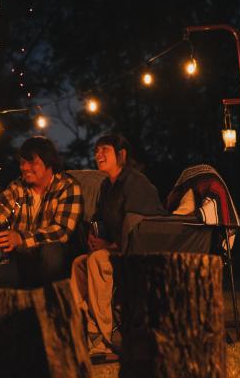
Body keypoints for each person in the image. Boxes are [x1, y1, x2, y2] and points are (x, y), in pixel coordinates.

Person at [0, 136, 83, 292]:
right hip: (21, 261)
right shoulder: (18, 187)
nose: (25, 167)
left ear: (49, 163)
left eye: (32, 163)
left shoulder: (68, 187)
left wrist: (20, 238)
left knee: (52, 252)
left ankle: (51, 298)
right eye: (22, 162)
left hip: (52, 263)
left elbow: (62, 231)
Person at [70, 133, 163, 359]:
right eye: (96, 150)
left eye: (105, 150)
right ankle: (84, 329)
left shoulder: (136, 183)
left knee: (98, 261)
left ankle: (102, 340)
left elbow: (137, 227)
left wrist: (109, 245)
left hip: (141, 252)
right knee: (79, 263)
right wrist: (95, 236)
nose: (98, 154)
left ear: (121, 155)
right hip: (116, 250)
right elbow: (101, 220)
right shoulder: (106, 187)